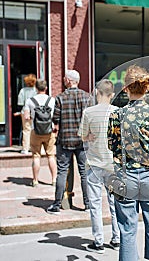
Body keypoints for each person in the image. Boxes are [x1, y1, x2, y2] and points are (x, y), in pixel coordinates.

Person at [107, 65, 149, 261]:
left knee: (127, 231)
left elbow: (112, 146)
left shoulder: (116, 115)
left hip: (125, 176)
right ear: (147, 87)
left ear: (126, 87)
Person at [78, 79, 120, 253]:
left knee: (95, 203)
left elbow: (82, 136)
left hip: (94, 163)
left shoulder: (89, 112)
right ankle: (117, 239)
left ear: (96, 92)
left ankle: (99, 241)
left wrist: (90, 137)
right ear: (112, 95)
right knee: (115, 204)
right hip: (113, 164)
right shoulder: (118, 112)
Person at [46, 70, 93, 214]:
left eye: (65, 78)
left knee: (62, 172)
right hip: (82, 140)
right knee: (84, 173)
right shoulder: (87, 97)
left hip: (65, 140)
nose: (63, 79)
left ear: (68, 80)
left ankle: (57, 204)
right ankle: (88, 204)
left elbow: (55, 119)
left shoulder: (60, 98)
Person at [24, 79, 57, 187]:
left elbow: (26, 117)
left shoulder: (30, 101)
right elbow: (56, 116)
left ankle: (35, 180)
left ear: (36, 88)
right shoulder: (52, 100)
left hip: (36, 131)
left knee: (36, 156)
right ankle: (53, 180)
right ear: (46, 88)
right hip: (49, 132)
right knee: (51, 156)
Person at [18, 74, 37, 154]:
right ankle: (35, 147)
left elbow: (20, 103)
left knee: (26, 130)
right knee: (35, 130)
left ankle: (25, 148)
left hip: (25, 111)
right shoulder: (36, 91)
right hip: (35, 112)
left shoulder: (23, 91)